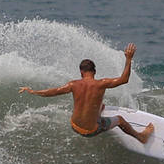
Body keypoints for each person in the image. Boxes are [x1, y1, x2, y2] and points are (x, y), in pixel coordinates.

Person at [19, 43, 154, 143]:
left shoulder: (73, 84)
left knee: (100, 106)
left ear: (81, 72)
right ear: (94, 72)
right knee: (120, 119)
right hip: (91, 131)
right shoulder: (101, 84)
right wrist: (128, 59)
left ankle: (98, 112)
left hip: (74, 126)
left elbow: (52, 92)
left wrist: (33, 91)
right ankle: (141, 137)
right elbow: (124, 79)